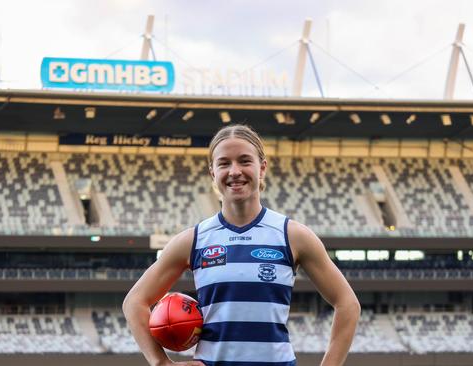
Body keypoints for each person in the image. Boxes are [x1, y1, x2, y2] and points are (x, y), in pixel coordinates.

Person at [123, 124, 360, 366]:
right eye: (224, 163)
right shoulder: (193, 240)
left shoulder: (293, 235)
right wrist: (160, 362)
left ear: (262, 168)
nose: (235, 171)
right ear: (213, 173)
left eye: (245, 161)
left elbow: (348, 304)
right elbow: (134, 302)